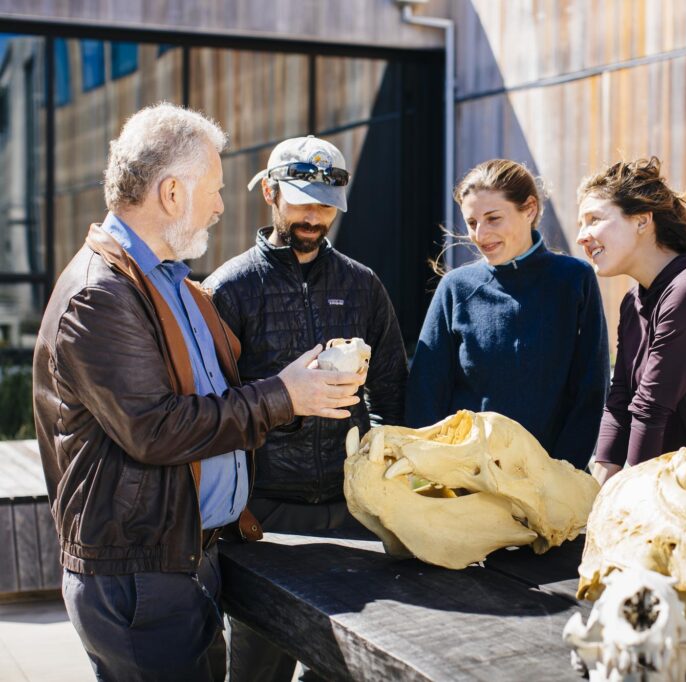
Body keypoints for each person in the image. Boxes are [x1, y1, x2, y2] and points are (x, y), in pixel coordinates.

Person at [32, 104, 364, 682]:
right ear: (170, 193)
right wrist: (285, 397)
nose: (219, 206)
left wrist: (298, 392)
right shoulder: (100, 295)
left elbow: (213, 400)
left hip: (185, 561)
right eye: (213, 190)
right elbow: (157, 430)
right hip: (139, 578)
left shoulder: (171, 282)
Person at [204, 135, 407, 681]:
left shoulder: (362, 285)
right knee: (257, 668)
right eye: (301, 200)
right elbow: (211, 409)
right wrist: (234, 505)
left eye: (326, 204)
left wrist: (385, 483)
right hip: (262, 516)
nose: (315, 215)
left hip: (353, 511)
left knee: (346, 667)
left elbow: (392, 390)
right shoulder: (228, 288)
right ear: (270, 192)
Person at [405, 159, 608, 468]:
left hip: (550, 480)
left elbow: (591, 388)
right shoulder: (456, 288)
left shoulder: (574, 280)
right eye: (472, 222)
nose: (480, 234)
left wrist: (563, 472)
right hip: (467, 480)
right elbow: (426, 393)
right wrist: (435, 472)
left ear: (529, 209)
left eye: (493, 219)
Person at [575, 157, 686, 486]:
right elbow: (621, 399)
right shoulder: (634, 302)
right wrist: (595, 497)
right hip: (665, 491)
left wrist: (629, 503)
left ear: (642, 220)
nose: (582, 236)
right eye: (581, 224)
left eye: (594, 219)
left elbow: (651, 409)